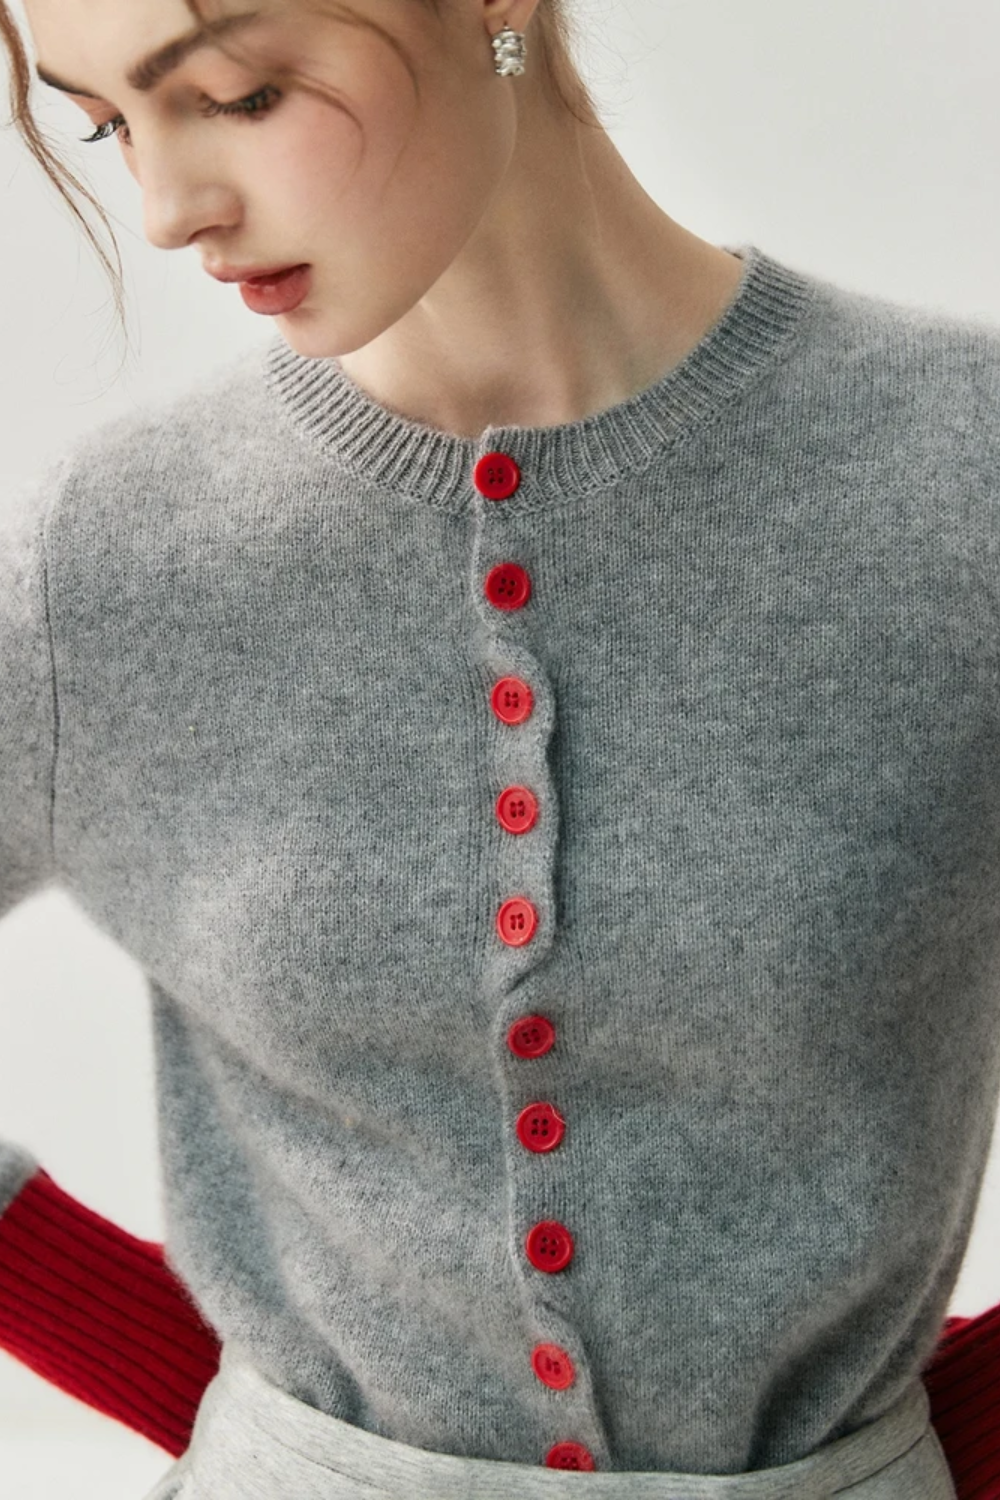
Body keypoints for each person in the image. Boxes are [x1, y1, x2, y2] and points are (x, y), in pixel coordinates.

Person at [0, 1, 998, 1497]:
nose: (163, 209)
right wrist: (191, 1376)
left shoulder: (960, 478)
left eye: (242, 92)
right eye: (105, 124)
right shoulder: (113, 556)